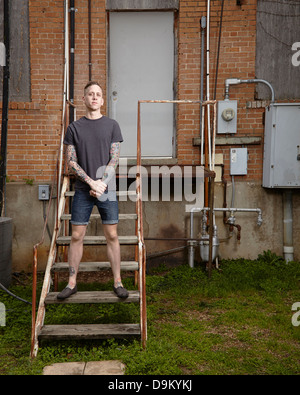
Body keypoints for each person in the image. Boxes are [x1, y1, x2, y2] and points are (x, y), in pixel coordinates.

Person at [57, 81, 128, 300]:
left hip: (106, 188)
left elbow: (114, 159)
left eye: (98, 94)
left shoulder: (112, 125)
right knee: (77, 235)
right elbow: (71, 162)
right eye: (90, 94)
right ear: (84, 99)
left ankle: (117, 281)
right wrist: (91, 183)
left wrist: (102, 183)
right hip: (82, 190)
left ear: (102, 100)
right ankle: (72, 282)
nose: (94, 97)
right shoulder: (74, 128)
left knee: (112, 235)